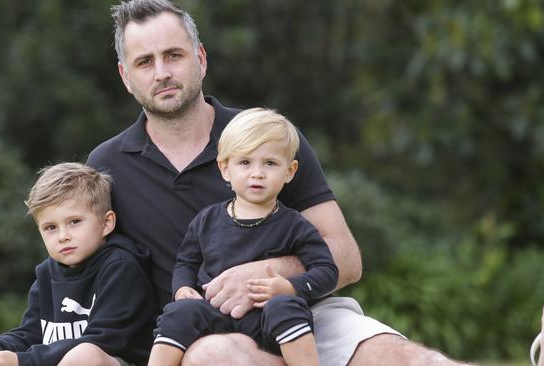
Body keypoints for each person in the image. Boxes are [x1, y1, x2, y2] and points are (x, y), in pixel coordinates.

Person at [86, 0, 474, 365]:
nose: (162, 73)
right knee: (216, 357)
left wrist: (266, 273)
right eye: (144, 62)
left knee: (416, 359)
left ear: (201, 59)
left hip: (299, 312)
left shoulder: (268, 136)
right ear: (126, 76)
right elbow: (76, 274)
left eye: (174, 55)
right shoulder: (106, 166)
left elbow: (347, 258)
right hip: (198, 332)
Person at [147, 108, 339, 366]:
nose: (257, 173)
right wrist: (182, 288)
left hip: (268, 320)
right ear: (225, 168)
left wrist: (290, 287)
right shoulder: (207, 220)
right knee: (179, 312)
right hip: (214, 313)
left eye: (270, 163)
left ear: (290, 171)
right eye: (245, 163)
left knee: (286, 306)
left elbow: (327, 271)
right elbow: (186, 263)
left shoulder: (295, 225)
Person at [0, 162, 156, 366]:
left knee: (85, 356)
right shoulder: (47, 273)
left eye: (74, 222)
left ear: (106, 223)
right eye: (50, 227)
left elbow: (102, 341)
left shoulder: (120, 267)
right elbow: (31, 333)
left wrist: (22, 361)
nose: (63, 236)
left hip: (114, 361)